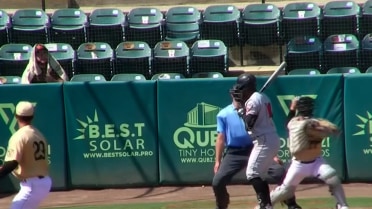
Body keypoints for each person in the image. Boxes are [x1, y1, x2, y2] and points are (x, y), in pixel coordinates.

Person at [213, 78, 301, 209]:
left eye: (240, 90)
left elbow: (253, 124)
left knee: (279, 172)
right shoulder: (224, 113)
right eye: (235, 92)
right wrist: (217, 161)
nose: (237, 94)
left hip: (256, 146)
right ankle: (222, 206)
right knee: (217, 181)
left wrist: (272, 155)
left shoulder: (253, 102)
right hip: (234, 153)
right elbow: (220, 138)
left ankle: (290, 204)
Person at [269, 96, 349, 209]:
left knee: (332, 178)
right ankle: (266, 205)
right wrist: (294, 110)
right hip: (298, 165)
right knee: (285, 191)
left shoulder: (314, 123)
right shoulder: (296, 123)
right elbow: (297, 124)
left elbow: (331, 129)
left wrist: (292, 108)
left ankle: (342, 205)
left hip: (317, 161)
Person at [230, 73, 280, 209]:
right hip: (269, 137)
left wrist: (241, 109)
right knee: (259, 174)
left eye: (241, 88)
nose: (239, 91)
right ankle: (267, 205)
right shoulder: (262, 97)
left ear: (247, 87)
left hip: (263, 139)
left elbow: (249, 124)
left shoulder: (253, 100)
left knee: (252, 173)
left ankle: (265, 205)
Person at [0, 101, 52, 209]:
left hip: (32, 184)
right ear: (32, 116)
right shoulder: (38, 134)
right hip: (42, 182)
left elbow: (12, 163)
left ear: (16, 116)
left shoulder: (19, 136)